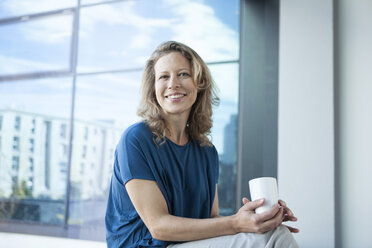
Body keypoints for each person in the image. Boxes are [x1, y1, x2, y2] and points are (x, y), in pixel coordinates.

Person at [105, 41, 299, 248]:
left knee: (272, 233)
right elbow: (159, 227)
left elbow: (212, 219)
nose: (173, 84)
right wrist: (235, 224)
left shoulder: (207, 151)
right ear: (153, 88)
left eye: (183, 74)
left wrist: (256, 220)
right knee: (275, 238)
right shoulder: (136, 140)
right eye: (163, 77)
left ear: (199, 84)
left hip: (185, 244)